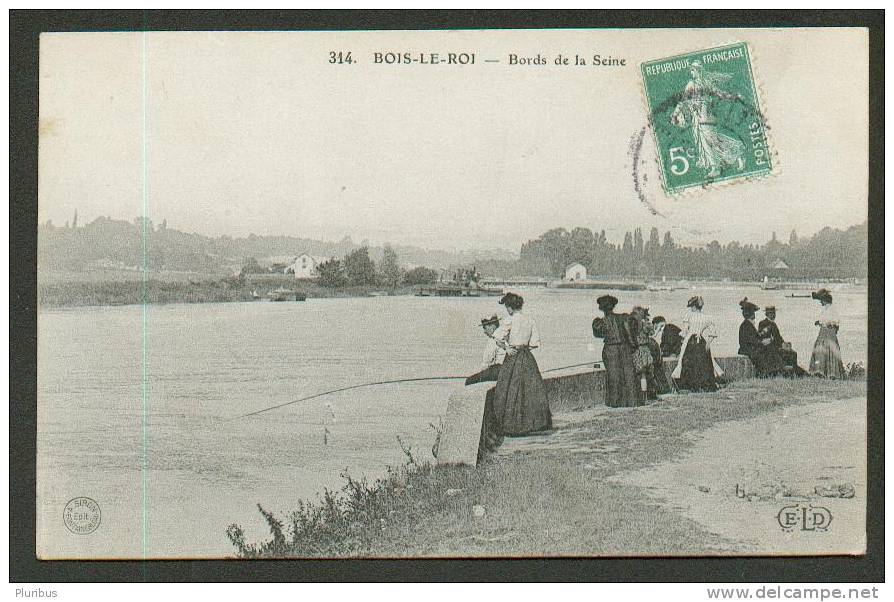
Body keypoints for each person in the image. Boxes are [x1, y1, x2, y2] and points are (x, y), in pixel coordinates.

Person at [490, 293, 553, 435]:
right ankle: (534, 423)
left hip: (513, 357)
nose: (507, 310)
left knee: (509, 389)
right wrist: (523, 348)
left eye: (507, 307)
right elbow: (534, 344)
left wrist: (507, 348)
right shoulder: (530, 320)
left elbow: (497, 338)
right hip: (527, 357)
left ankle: (512, 425)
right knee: (530, 389)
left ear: (510, 307)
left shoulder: (509, 320)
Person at [465, 315, 505, 459]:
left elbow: (486, 364)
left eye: (485, 327)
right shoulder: (505, 334)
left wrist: (480, 374)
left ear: (492, 326)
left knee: (469, 381)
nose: (484, 331)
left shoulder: (493, 339)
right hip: (504, 370)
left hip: (497, 370)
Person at [592, 295, 642, 407]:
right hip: (625, 348)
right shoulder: (623, 317)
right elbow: (632, 330)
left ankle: (615, 402)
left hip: (611, 349)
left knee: (613, 375)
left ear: (601, 308)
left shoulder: (600, 321)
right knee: (629, 374)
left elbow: (598, 334)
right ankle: (632, 401)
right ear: (613, 306)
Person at [671, 296, 723, 392]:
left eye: (691, 306)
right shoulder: (706, 317)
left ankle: (689, 385)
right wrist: (707, 343)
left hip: (690, 341)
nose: (691, 308)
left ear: (694, 306)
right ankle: (703, 385)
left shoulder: (689, 316)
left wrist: (682, 341)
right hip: (701, 342)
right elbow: (713, 333)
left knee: (686, 362)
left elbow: (685, 331)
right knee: (703, 363)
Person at [737, 298, 784, 378]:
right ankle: (769, 373)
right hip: (748, 350)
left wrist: (762, 334)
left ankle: (772, 372)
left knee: (770, 349)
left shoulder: (747, 324)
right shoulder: (746, 325)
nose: (754, 315)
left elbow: (753, 337)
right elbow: (751, 340)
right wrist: (762, 342)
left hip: (750, 348)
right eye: (753, 312)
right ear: (750, 314)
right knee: (769, 350)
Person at [759, 306, 807, 377]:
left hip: (777, 347)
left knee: (793, 353)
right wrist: (779, 344)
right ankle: (793, 373)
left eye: (774, 313)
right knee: (789, 354)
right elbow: (763, 338)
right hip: (770, 349)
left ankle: (794, 372)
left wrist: (785, 344)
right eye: (771, 313)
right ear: (766, 314)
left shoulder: (773, 324)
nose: (773, 315)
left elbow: (779, 338)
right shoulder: (763, 323)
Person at [809, 289, 845, 379]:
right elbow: (825, 320)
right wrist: (819, 322)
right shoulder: (825, 309)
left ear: (825, 300)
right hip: (824, 331)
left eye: (821, 300)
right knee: (823, 348)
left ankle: (828, 373)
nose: (820, 302)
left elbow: (835, 321)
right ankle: (821, 372)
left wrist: (824, 322)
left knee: (827, 349)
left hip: (828, 332)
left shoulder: (831, 309)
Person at [630, 306, 658, 401]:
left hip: (636, 350)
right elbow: (653, 334)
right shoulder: (646, 325)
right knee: (646, 375)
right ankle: (646, 396)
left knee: (639, 375)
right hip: (645, 350)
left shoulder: (632, 325)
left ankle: (641, 396)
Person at [648, 316, 677, 394]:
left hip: (674, 354)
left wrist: (662, 352)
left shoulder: (668, 328)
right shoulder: (668, 328)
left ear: (658, 324)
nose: (656, 328)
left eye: (656, 326)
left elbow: (668, 344)